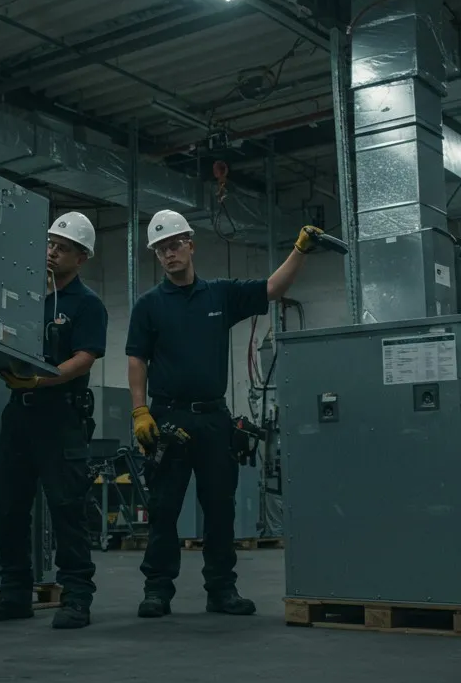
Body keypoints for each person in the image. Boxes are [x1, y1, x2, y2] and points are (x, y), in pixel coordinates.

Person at [126, 209, 321, 618]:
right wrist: (140, 411)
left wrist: (300, 251)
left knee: (220, 507)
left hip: (214, 419)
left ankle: (221, 589)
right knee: (164, 509)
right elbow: (136, 361)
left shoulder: (219, 295)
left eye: (175, 243)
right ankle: (157, 590)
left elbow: (271, 288)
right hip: (168, 420)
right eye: (161, 248)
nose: (169, 253)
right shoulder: (148, 306)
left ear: (191, 244)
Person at [0, 212, 108, 630]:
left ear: (81, 257)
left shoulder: (87, 305)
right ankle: (14, 592)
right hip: (20, 414)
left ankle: (77, 596)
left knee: (67, 506)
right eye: (49, 244)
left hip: (61, 413)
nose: (52, 252)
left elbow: (84, 357)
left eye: (62, 247)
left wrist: (42, 379)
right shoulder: (27, 297)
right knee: (10, 505)